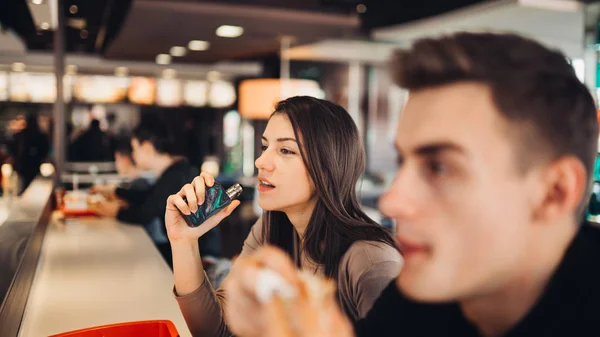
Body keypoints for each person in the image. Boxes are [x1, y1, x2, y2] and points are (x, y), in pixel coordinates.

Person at [221, 32, 600, 337]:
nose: (391, 201)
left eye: (439, 167)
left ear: (555, 192)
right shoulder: (422, 295)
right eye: (404, 162)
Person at [166, 96, 402, 337]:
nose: (261, 161)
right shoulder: (271, 227)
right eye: (265, 147)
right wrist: (184, 242)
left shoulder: (371, 262)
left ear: (327, 167)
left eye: (286, 150)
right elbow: (219, 331)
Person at [93, 118, 221, 266]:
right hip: (192, 248)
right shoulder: (176, 170)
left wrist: (116, 212)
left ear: (147, 147)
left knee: (133, 259)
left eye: (135, 149)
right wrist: (116, 192)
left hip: (201, 257)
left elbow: (146, 213)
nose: (133, 155)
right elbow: (150, 196)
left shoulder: (176, 175)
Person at [9, 114, 49, 192]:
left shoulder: (21, 135)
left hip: (23, 165)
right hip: (34, 164)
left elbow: (13, 148)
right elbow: (45, 150)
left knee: (22, 186)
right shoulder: (40, 136)